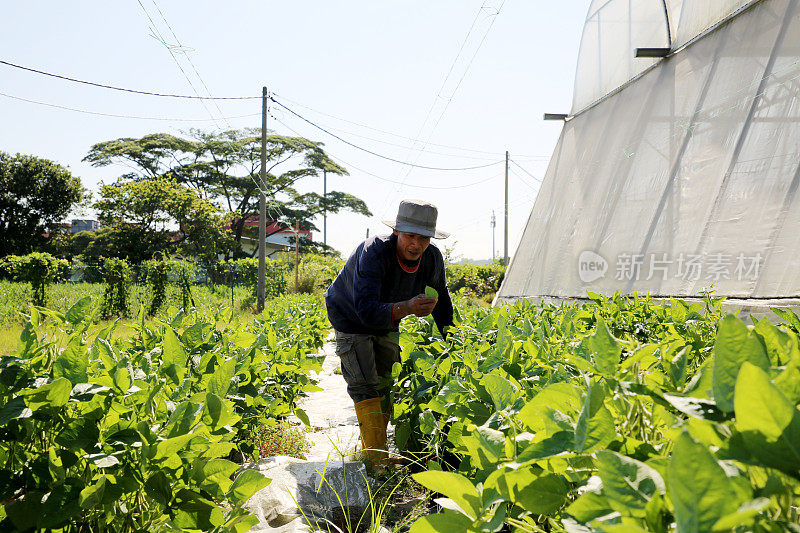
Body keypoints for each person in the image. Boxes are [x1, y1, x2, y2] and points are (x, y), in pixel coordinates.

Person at [324, 199, 454, 464]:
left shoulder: (432, 258)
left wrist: (454, 340)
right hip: (351, 314)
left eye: (423, 238)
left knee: (386, 378)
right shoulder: (374, 252)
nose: (416, 244)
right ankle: (375, 460)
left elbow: (442, 299)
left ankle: (378, 448)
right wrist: (407, 307)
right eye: (409, 236)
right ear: (397, 232)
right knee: (364, 383)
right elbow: (365, 311)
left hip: (387, 316)